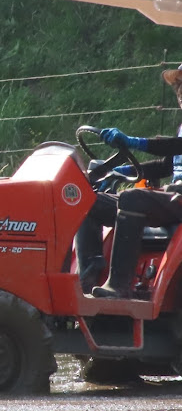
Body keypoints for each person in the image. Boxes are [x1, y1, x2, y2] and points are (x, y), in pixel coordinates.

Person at [77, 65, 182, 299]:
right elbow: (166, 165)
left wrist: (135, 141)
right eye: (179, 87)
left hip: (178, 198)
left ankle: (119, 285)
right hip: (172, 197)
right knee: (86, 199)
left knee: (132, 197)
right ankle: (89, 273)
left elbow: (175, 147)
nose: (181, 93)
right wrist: (119, 170)